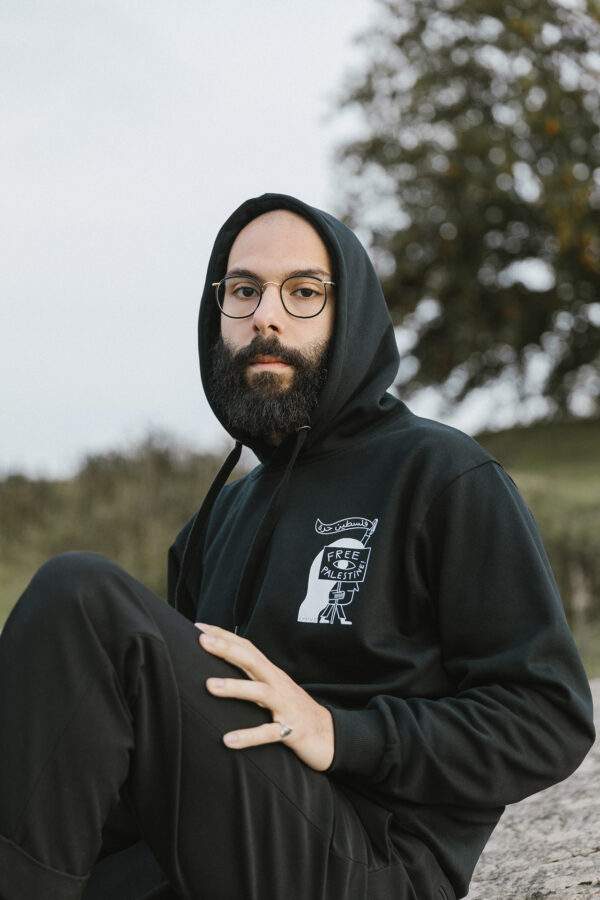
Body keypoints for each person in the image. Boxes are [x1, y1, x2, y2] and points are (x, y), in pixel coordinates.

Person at [0, 193, 594, 900]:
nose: (266, 316)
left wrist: (341, 732)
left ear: (352, 317)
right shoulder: (217, 518)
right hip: (212, 846)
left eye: (303, 291)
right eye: (243, 291)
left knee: (82, 598)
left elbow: (548, 717)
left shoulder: (441, 476)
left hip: (372, 861)